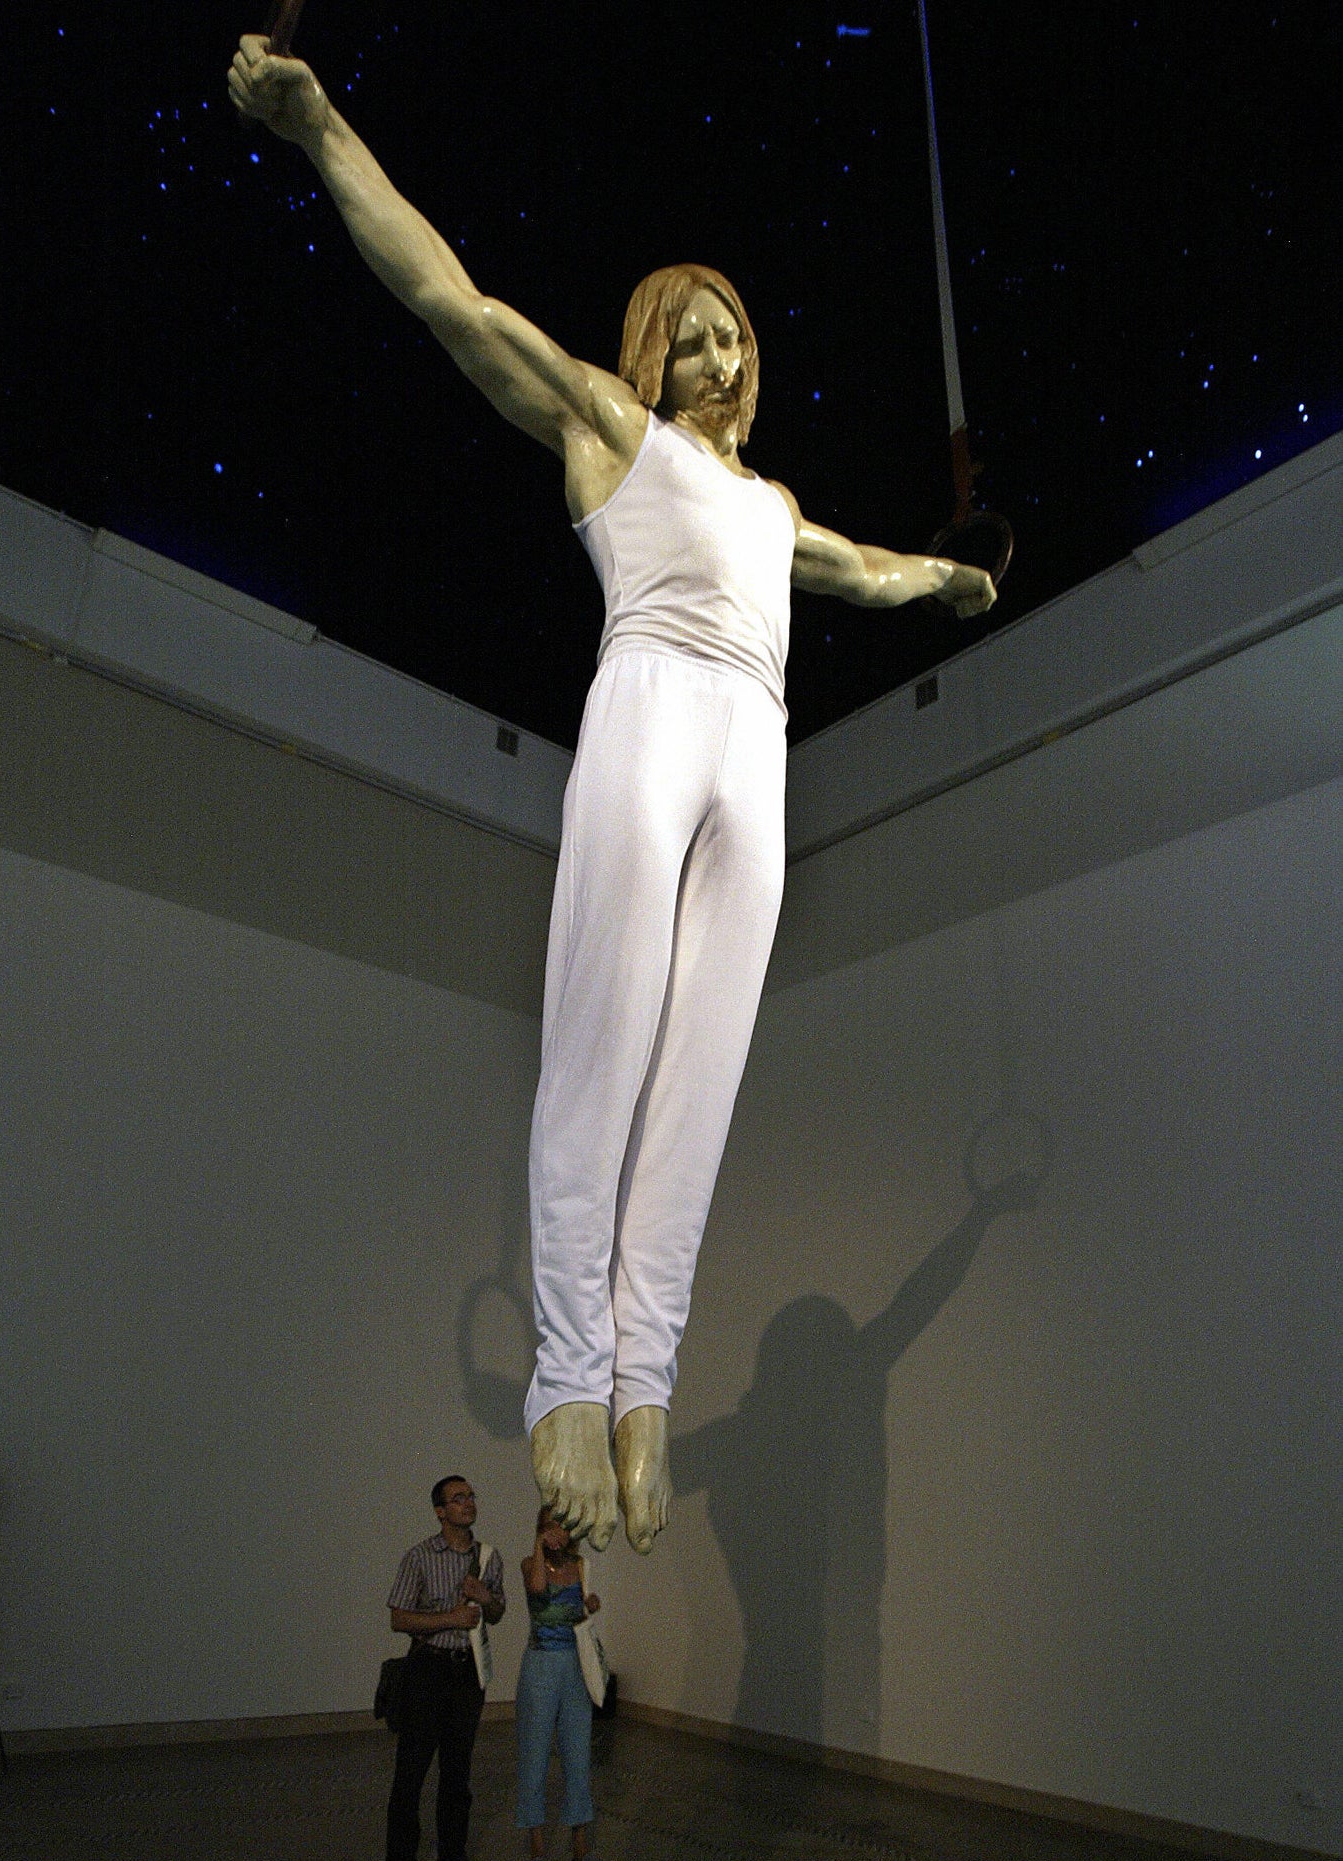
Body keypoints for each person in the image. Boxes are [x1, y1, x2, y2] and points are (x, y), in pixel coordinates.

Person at [227, 39, 998, 1558]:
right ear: (654, 356)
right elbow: (451, 302)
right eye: (692, 339)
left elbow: (863, 570)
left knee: (698, 1083)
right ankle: (568, 1380)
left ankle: (644, 1374)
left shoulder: (776, 510)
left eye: (735, 340)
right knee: (604, 1046)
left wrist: (954, 578)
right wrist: (321, 133)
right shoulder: (612, 434)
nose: (722, 360)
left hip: (755, 757)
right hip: (649, 710)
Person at [383, 1474, 506, 1861]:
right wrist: (450, 1618)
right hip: (427, 1671)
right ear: (440, 1511)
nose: (468, 1503)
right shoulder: (418, 1557)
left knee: (458, 1774)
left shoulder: (489, 1558)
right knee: (411, 1775)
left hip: (466, 1675)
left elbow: (498, 1613)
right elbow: (399, 1618)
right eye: (458, 1499)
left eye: (471, 1496)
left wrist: (485, 1597)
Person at [516, 1505, 608, 1861]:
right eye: (548, 1527)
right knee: (535, 1754)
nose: (556, 1534)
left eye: (561, 1527)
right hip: (540, 1664)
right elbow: (537, 1588)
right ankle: (537, 1847)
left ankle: (580, 1845)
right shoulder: (529, 1564)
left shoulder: (581, 1566)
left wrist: (590, 1606)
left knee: (577, 1754)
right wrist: (539, 1545)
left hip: (575, 1665)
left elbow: (581, 1616)